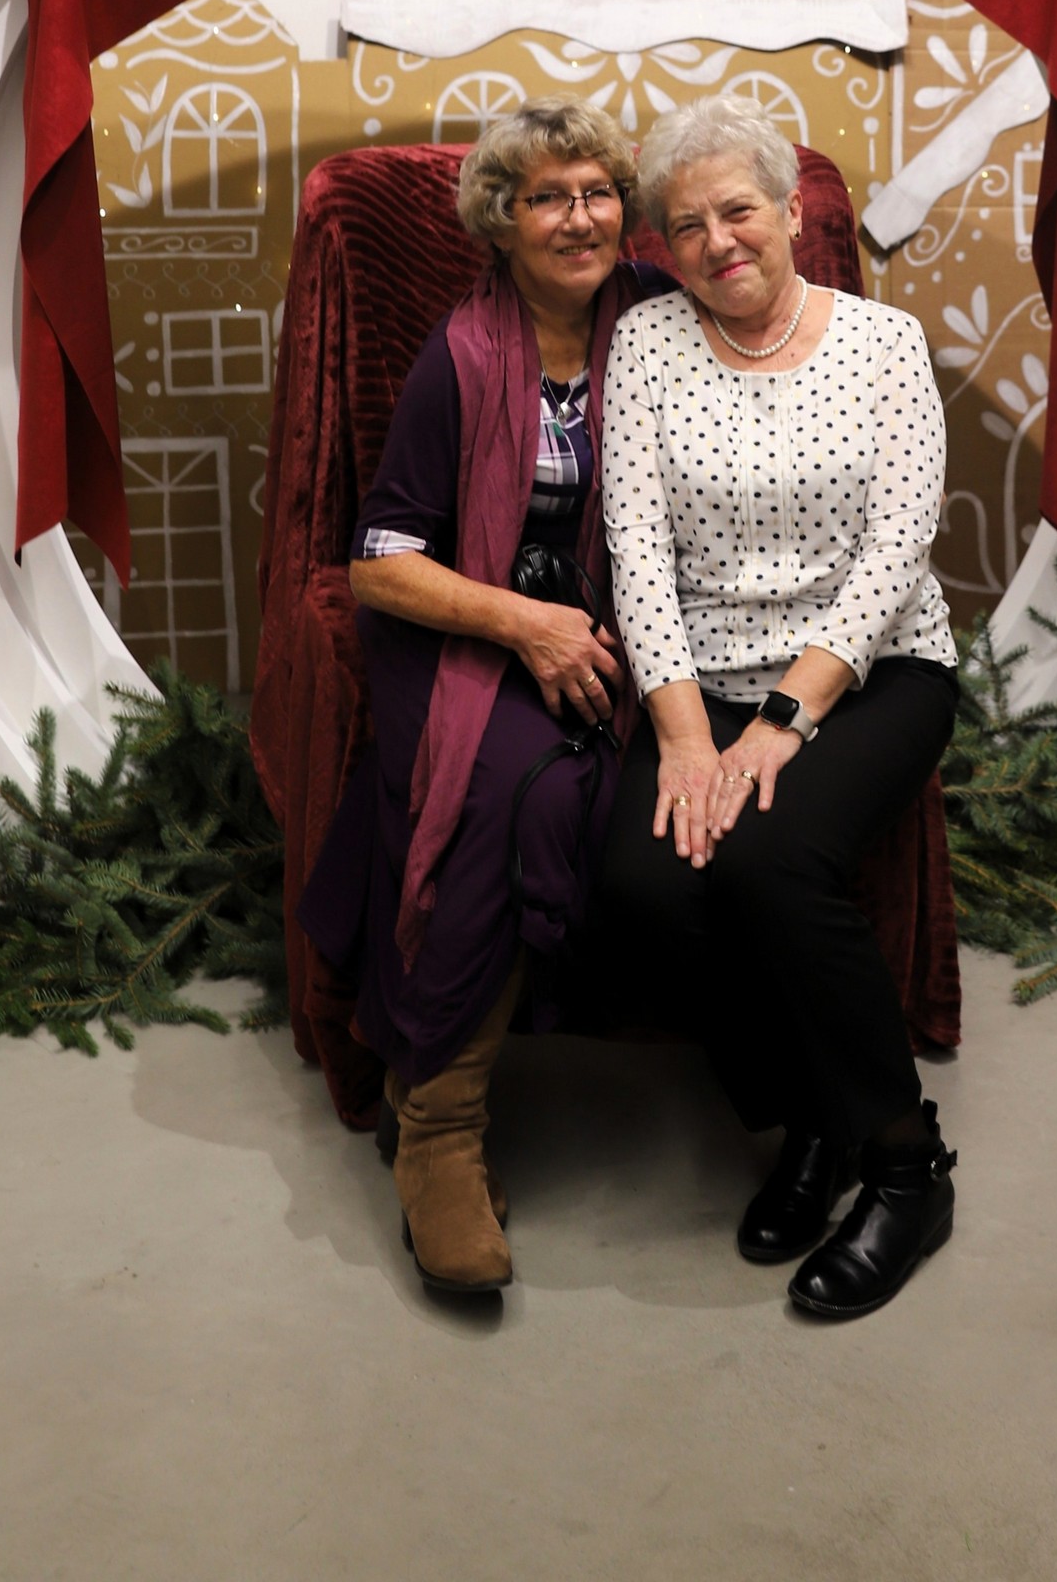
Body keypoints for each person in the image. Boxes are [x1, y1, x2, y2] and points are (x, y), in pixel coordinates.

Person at [296, 98, 669, 1296]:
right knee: (504, 791)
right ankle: (439, 1130)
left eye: (598, 192)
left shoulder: (660, 321)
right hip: (467, 624)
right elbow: (379, 562)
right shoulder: (459, 358)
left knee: (570, 792)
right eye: (548, 198)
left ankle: (436, 1081)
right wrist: (522, 622)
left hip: (613, 623)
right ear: (500, 224)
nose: (581, 218)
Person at [598, 92, 961, 1321]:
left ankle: (904, 1169)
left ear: (791, 211)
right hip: (701, 677)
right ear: (663, 245)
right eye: (685, 226)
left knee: (769, 858)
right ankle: (811, 1119)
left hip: (872, 671)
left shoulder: (884, 341)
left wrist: (785, 720)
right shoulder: (646, 343)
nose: (716, 243)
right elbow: (636, 550)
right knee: (644, 880)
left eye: (737, 210)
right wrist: (683, 735)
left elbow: (897, 550)